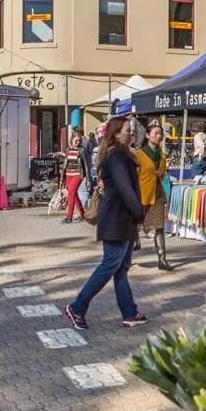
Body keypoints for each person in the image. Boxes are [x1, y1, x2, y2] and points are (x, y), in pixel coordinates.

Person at [65, 117, 148, 331]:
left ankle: (129, 312)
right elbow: (125, 187)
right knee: (110, 265)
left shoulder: (119, 153)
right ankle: (77, 307)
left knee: (120, 268)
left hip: (121, 218)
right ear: (116, 134)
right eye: (128, 130)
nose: (131, 133)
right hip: (116, 219)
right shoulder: (117, 155)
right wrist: (139, 212)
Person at [136, 122, 173, 271]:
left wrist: (160, 173)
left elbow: (162, 174)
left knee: (159, 227)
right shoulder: (140, 154)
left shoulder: (162, 156)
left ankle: (162, 260)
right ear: (147, 135)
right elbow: (135, 175)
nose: (159, 136)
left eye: (160, 134)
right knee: (135, 226)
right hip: (142, 195)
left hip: (157, 194)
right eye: (156, 133)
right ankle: (125, 258)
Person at [61, 132, 91, 224]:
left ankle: (69, 216)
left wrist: (88, 178)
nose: (78, 142)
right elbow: (66, 164)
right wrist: (62, 177)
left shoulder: (82, 150)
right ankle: (82, 214)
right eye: (76, 140)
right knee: (74, 194)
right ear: (71, 140)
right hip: (68, 174)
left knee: (71, 193)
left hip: (78, 174)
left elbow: (86, 165)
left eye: (79, 140)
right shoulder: (68, 150)